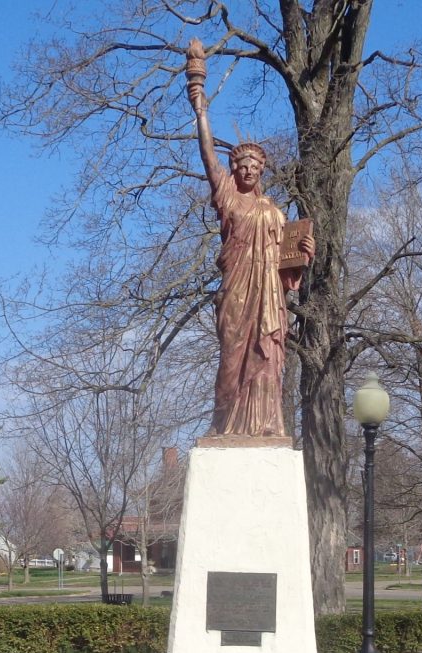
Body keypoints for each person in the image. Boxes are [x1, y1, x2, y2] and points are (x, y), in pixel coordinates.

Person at [186, 40, 315, 436]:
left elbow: (285, 267)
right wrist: (200, 106)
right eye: (242, 165)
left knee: (268, 361)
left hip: (269, 299)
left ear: (262, 172)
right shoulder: (229, 201)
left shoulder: (275, 212)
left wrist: (302, 258)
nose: (249, 171)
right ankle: (225, 424)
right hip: (238, 295)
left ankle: (266, 425)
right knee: (231, 361)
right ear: (234, 169)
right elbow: (208, 156)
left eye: (256, 166)